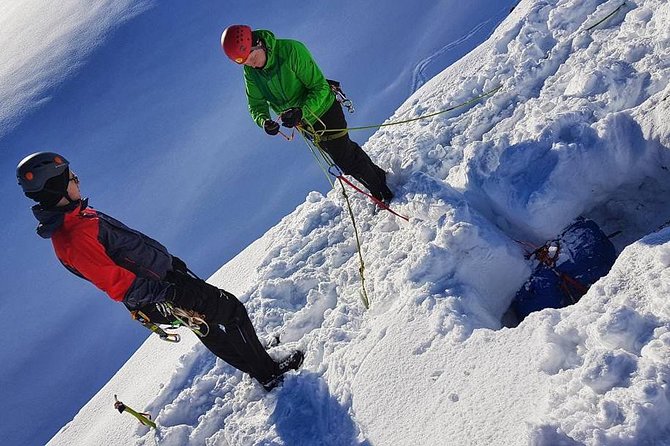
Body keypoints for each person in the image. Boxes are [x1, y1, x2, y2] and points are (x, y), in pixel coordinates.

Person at [16, 152, 302, 391]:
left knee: (209, 327)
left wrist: (167, 262)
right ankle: (268, 372)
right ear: (56, 187)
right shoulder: (73, 237)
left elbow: (129, 250)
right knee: (232, 311)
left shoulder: (79, 216)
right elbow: (117, 284)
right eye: (70, 176)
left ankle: (257, 361)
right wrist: (167, 291)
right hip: (160, 293)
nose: (77, 179)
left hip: (164, 280)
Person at [220, 25, 395, 205]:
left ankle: (384, 193)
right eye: (245, 63)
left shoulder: (291, 51)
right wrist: (264, 121)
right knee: (346, 152)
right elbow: (256, 104)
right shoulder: (251, 73)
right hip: (304, 124)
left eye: (253, 57)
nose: (251, 64)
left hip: (325, 110)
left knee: (345, 159)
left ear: (258, 45)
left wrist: (302, 111)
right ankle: (380, 177)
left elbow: (319, 87)